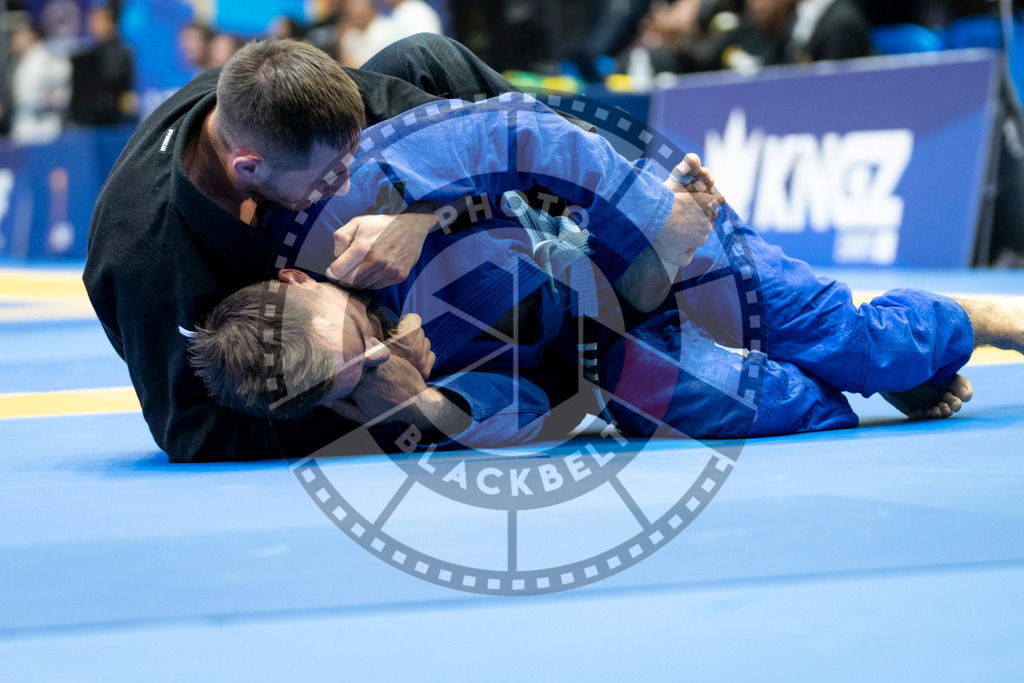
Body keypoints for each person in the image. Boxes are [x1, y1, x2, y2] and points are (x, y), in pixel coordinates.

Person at [186, 99, 1024, 450]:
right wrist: (422, 403)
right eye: (354, 371)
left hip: (655, 243)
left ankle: (973, 321)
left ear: (301, 282)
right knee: (806, 413)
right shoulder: (372, 388)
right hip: (611, 352)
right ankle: (900, 360)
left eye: (360, 333)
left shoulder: (364, 191)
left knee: (853, 344)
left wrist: (420, 215)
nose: (378, 344)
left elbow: (536, 141)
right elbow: (527, 405)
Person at [83, 35, 717, 463]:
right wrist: (378, 388)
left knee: (426, 59)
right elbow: (194, 433)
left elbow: (462, 137)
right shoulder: (149, 258)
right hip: (310, 337)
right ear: (248, 169)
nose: (345, 178)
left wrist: (419, 211)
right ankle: (565, 354)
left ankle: (642, 226)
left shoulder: (279, 100)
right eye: (328, 175)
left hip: (365, 273)